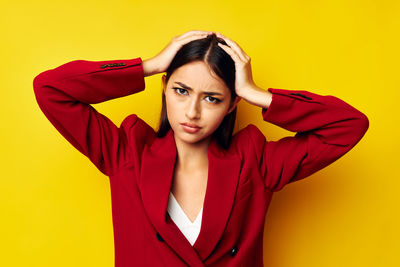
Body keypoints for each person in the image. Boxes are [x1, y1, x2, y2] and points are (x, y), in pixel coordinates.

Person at [33, 30, 369, 266]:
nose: (192, 112)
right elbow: (50, 89)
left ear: (231, 105)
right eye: (181, 91)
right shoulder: (127, 153)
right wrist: (147, 66)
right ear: (164, 87)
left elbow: (347, 127)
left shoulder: (256, 162)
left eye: (212, 98)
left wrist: (255, 93)